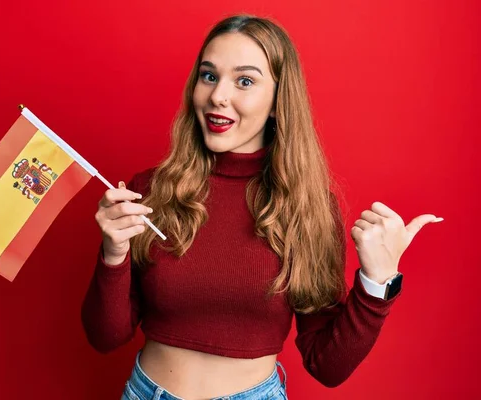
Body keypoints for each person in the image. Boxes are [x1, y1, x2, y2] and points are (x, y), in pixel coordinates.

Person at [81, 14, 442, 400]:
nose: (218, 95)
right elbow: (106, 336)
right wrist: (113, 254)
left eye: (245, 81)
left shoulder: (309, 208)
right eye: (209, 76)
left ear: (276, 101)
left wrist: (378, 281)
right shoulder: (150, 191)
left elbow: (327, 366)